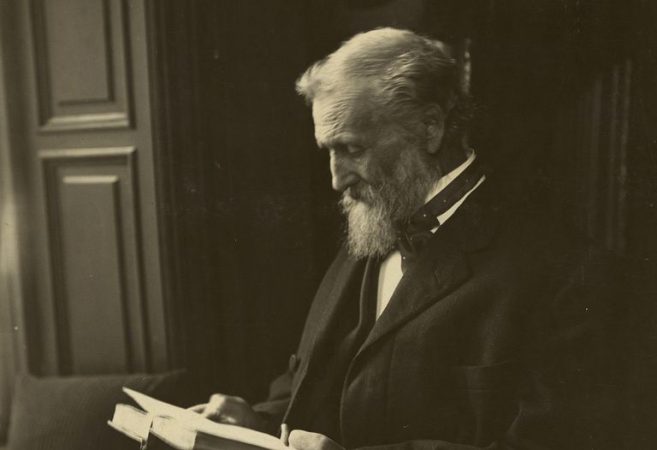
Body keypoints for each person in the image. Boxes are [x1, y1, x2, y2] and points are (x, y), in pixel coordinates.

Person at [191, 28, 624, 449]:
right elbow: (320, 383)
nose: (336, 180)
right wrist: (260, 422)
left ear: (430, 127)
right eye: (329, 151)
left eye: (353, 149)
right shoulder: (372, 226)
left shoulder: (569, 275)